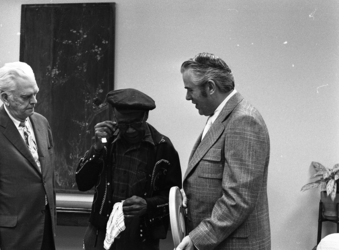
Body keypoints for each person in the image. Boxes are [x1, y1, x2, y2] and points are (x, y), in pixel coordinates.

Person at [177, 53, 271, 250]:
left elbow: (238, 199)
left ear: (210, 87)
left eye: (190, 90)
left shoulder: (243, 120)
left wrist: (197, 239)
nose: (187, 97)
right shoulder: (220, 117)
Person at [0, 62, 56, 250]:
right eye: (26, 97)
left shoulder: (41, 123)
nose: (34, 101)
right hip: (10, 239)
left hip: (44, 233)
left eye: (35, 93)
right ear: (6, 98)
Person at [76, 88, 182, 250]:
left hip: (141, 238)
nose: (130, 130)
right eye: (124, 124)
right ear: (115, 117)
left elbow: (174, 199)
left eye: (136, 123)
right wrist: (96, 149)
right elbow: (82, 183)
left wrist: (148, 204)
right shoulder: (106, 142)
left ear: (145, 117)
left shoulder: (162, 147)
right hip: (100, 235)